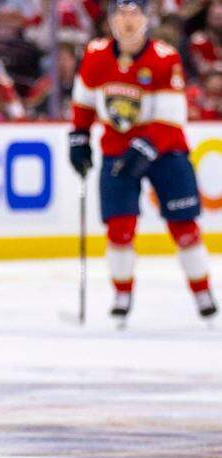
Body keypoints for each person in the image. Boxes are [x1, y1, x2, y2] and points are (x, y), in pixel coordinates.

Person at [70, 0, 217, 322]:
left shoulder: (164, 58)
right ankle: (122, 294)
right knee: (119, 229)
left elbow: (171, 118)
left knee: (184, 226)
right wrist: (79, 137)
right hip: (117, 150)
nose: (126, 20)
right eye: (120, 13)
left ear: (146, 18)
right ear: (110, 19)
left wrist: (145, 148)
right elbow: (83, 102)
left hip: (165, 151)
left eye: (133, 13)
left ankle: (202, 290)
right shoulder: (95, 55)